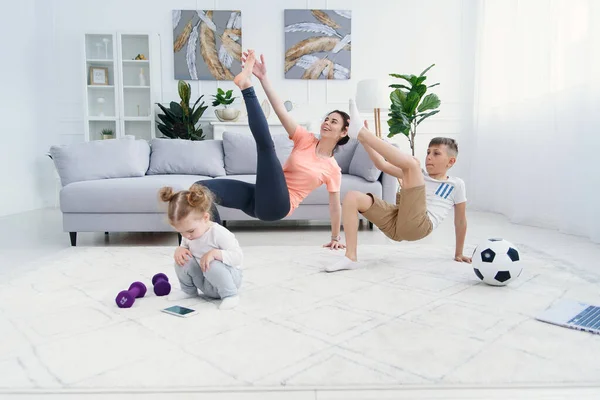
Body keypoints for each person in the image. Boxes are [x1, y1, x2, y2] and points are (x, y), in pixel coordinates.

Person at [197, 50, 350, 250]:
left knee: (267, 148)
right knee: (199, 190)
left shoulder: (332, 169)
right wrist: (263, 78)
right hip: (259, 200)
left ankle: (245, 85)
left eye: (334, 122)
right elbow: (279, 109)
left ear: (344, 131)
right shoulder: (305, 139)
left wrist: (336, 237)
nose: (327, 123)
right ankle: (211, 246)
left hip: (280, 206)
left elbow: (334, 206)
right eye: (326, 119)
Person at [326, 99, 471, 272]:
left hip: (420, 226)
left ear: (451, 161)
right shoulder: (416, 176)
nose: (429, 157)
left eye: (436, 153)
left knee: (413, 164)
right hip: (397, 225)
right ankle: (350, 257)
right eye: (428, 152)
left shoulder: (455, 184)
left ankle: (362, 132)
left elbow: (460, 221)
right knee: (352, 197)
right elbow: (382, 164)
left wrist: (459, 252)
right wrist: (363, 142)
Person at [159, 184, 243, 310]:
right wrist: (180, 249)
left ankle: (230, 295)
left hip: (228, 279)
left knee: (211, 264)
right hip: (205, 281)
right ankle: (188, 291)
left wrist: (215, 254)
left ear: (205, 217)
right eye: (181, 232)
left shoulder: (218, 233)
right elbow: (185, 248)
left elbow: (238, 257)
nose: (187, 236)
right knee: (183, 260)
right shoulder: (188, 235)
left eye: (190, 231)